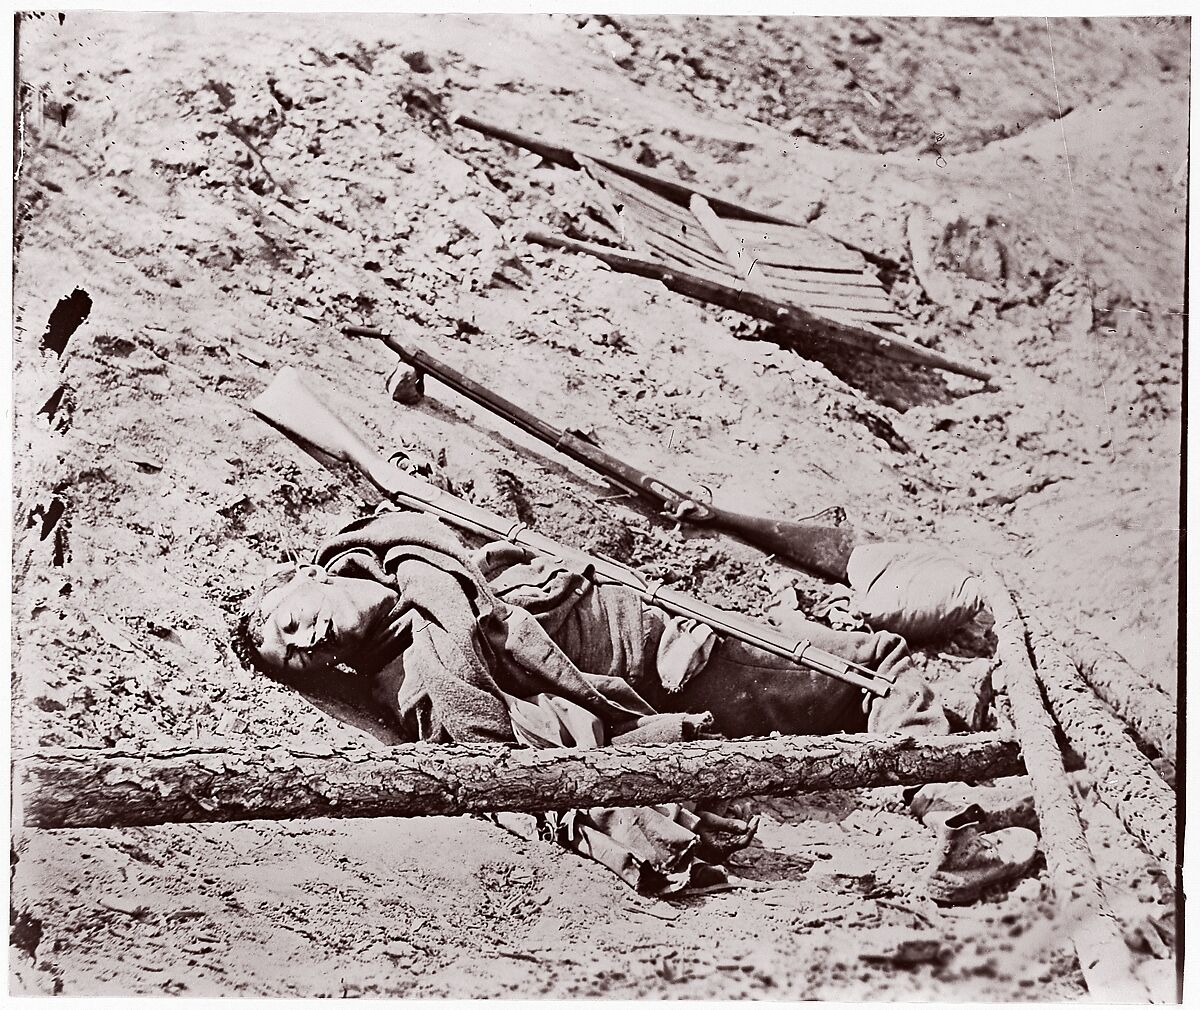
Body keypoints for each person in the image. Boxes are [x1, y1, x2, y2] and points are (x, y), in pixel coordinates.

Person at [237, 505, 1036, 900]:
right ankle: (955, 825)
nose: (307, 640)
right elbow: (481, 740)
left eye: (286, 622)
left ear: (300, 576)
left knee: (854, 668)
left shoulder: (400, 543)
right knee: (879, 667)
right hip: (680, 667)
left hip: (671, 625)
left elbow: (464, 557)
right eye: (298, 656)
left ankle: (951, 753)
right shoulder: (413, 670)